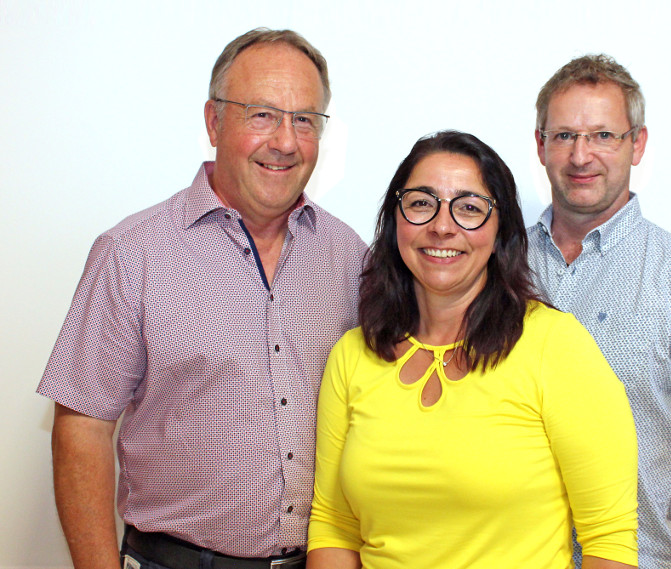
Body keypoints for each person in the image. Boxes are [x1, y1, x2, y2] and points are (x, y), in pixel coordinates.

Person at [37, 28, 366, 569]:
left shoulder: (349, 256)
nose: (285, 140)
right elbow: (83, 427)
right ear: (213, 122)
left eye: (304, 119)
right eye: (262, 114)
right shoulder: (132, 253)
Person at [306, 130, 639, 569]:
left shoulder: (555, 345)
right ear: (396, 220)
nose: (442, 226)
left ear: (501, 230)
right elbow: (334, 526)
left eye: (468, 208)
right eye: (422, 203)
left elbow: (608, 541)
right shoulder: (353, 355)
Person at [527, 54, 671, 569]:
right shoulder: (498, 266)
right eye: (563, 136)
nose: (581, 155)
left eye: (603, 136)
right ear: (540, 145)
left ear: (638, 143)